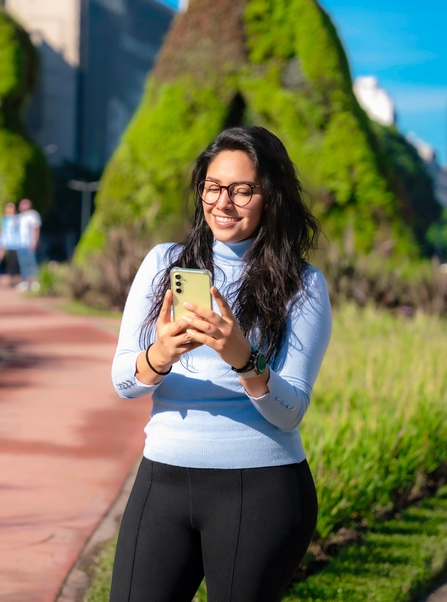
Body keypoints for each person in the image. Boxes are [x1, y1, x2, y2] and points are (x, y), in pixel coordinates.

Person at [109, 126, 332, 602]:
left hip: (260, 491)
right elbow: (124, 382)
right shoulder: (163, 263)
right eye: (212, 187)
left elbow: (290, 411)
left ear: (270, 195)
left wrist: (242, 358)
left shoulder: (303, 284)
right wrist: (161, 355)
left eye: (241, 190)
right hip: (162, 480)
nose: (223, 202)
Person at [15, 198, 41, 291]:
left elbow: (36, 229)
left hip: (30, 243)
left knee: (32, 263)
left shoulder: (33, 215)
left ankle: (35, 282)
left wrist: (35, 241)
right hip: (20, 244)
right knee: (23, 263)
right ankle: (25, 282)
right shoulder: (19, 217)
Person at [1, 202, 22, 287]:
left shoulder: (17, 218)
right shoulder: (4, 220)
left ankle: (18, 279)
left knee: (17, 262)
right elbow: (3, 233)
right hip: (8, 244)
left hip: (17, 244)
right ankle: (12, 279)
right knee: (10, 263)